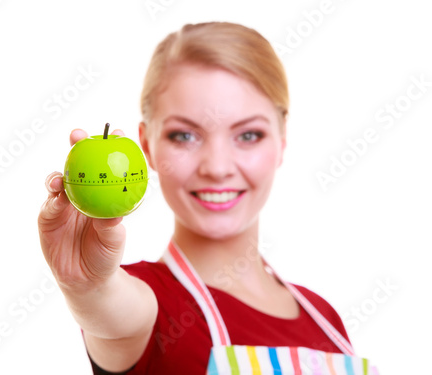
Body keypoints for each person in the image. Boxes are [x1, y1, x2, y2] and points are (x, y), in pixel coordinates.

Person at [38, 22, 379, 374]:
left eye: (248, 134)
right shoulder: (150, 306)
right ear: (147, 147)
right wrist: (87, 287)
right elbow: (108, 308)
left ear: (282, 141)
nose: (217, 168)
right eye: (185, 136)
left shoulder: (324, 317)